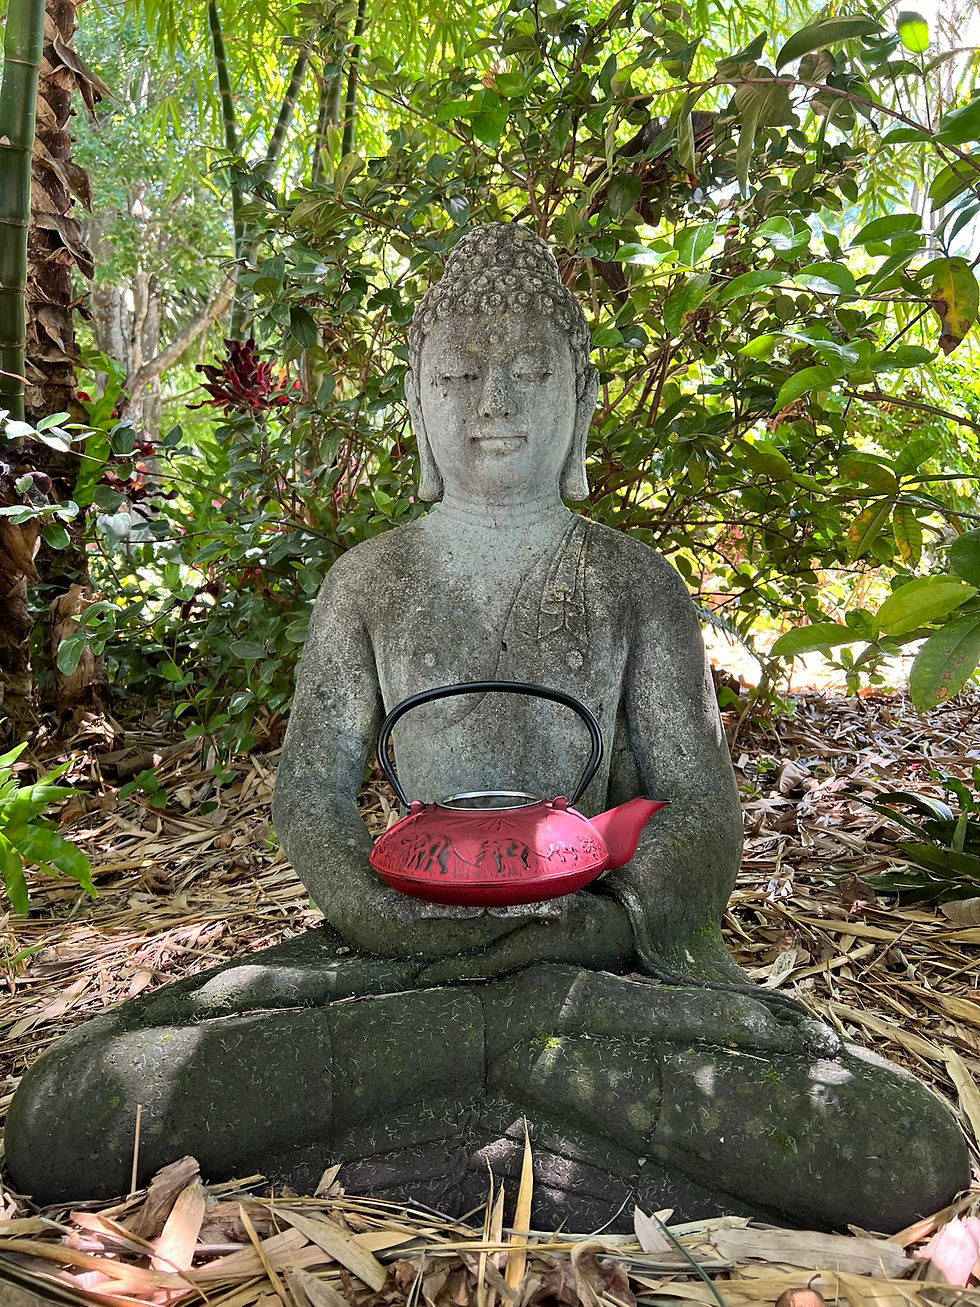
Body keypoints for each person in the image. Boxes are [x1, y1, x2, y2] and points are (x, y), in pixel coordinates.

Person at [6, 226, 968, 1231]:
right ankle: (526, 1098)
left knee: (901, 1145)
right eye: (460, 375)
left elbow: (699, 807)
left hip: (592, 962)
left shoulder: (636, 582)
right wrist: (378, 917)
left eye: (529, 373)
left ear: (580, 399)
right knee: (69, 1112)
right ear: (417, 402)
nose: (494, 402)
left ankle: (441, 1110)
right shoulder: (367, 582)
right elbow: (311, 793)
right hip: (401, 953)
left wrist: (607, 921)